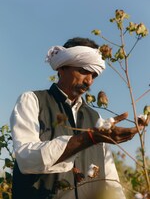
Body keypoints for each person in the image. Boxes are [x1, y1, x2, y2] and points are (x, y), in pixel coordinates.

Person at [10, 37, 141, 199]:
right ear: (61, 67)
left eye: (94, 75)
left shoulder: (96, 118)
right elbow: (26, 159)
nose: (89, 81)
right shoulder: (32, 101)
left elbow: (110, 179)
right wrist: (87, 138)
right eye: (84, 71)